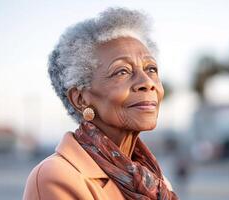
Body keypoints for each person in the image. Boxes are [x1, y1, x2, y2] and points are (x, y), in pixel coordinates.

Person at [23, 7, 179, 200]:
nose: (147, 82)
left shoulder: (153, 178)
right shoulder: (57, 176)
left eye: (151, 69)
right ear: (80, 99)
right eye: (122, 71)